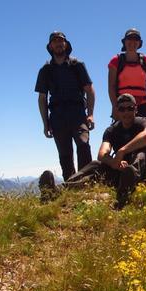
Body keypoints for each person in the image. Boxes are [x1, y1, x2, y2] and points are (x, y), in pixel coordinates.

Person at [39, 93, 146, 208]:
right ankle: (56, 191)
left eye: (130, 108)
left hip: (143, 169)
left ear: (135, 109)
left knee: (142, 154)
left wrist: (122, 151)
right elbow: (102, 154)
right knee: (96, 164)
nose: (126, 112)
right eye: (122, 109)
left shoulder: (143, 122)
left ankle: (124, 193)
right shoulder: (112, 130)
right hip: (121, 171)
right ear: (117, 111)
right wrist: (114, 163)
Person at [35, 31, 96, 181]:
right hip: (57, 116)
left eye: (61, 41)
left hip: (78, 113)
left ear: (66, 44)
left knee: (83, 144)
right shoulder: (45, 70)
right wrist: (45, 124)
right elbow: (42, 98)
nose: (58, 43)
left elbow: (89, 90)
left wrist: (91, 114)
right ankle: (71, 183)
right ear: (50, 46)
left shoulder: (77, 65)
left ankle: (86, 181)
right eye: (55, 41)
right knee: (65, 154)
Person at [108, 28, 146, 133]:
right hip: (124, 105)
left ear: (139, 43)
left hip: (143, 104)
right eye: (129, 39)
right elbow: (111, 86)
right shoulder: (116, 61)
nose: (132, 42)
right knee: (121, 133)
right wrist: (115, 106)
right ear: (124, 42)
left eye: (136, 39)